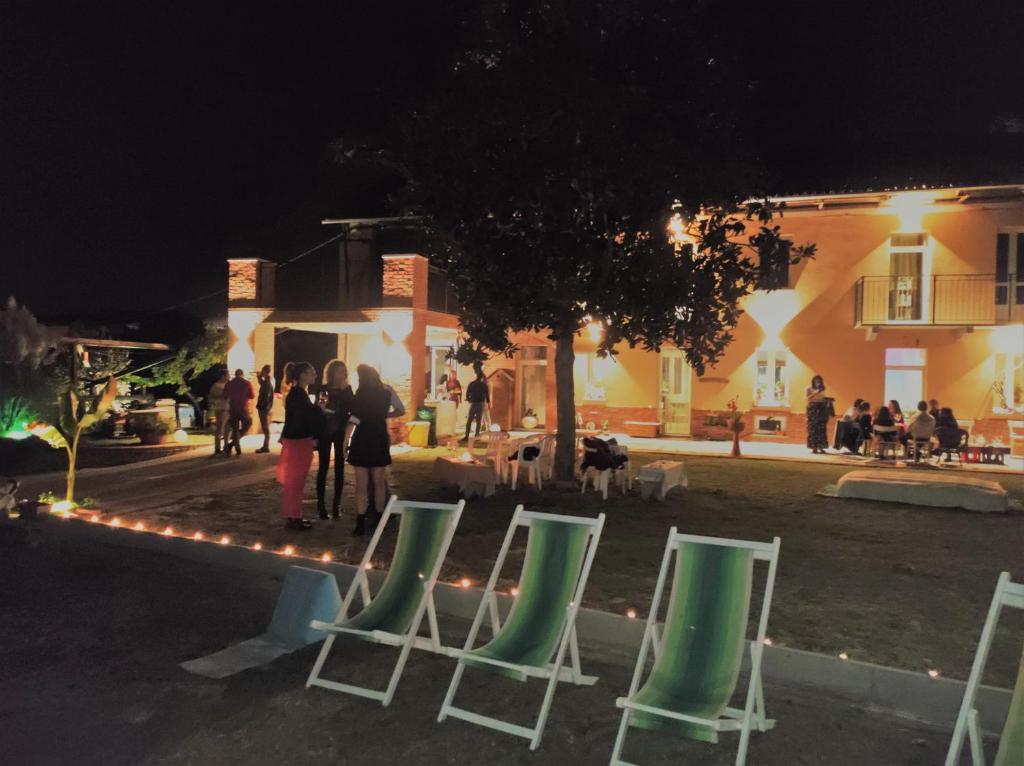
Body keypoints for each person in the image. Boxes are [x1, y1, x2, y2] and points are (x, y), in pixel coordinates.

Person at [346, 364, 404, 536]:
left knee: (361, 483)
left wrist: (345, 440)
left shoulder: (361, 394)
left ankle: (361, 521)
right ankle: (380, 518)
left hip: (362, 437)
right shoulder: (386, 392)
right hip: (379, 436)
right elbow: (400, 409)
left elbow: (355, 418)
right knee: (379, 481)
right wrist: (384, 415)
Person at [277, 362, 326, 530]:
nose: (315, 375)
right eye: (312, 372)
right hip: (299, 442)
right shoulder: (298, 394)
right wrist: (319, 410)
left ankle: (294, 515)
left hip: (296, 441)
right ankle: (293, 517)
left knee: (295, 481)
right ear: (303, 375)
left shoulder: (297, 393)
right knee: (296, 481)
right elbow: (302, 418)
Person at [316, 359, 354, 520]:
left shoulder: (347, 390)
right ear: (331, 373)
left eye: (343, 371)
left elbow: (352, 410)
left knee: (340, 468)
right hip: (325, 430)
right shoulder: (323, 389)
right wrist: (322, 409)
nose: (340, 374)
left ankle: (336, 505)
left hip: (340, 430)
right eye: (338, 371)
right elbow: (319, 408)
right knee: (323, 467)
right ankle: (321, 506)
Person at [223, 369, 254, 456]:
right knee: (248, 423)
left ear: (235, 374)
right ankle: (233, 445)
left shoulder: (229, 383)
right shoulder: (247, 383)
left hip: (233, 408)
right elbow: (252, 396)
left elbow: (225, 396)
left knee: (235, 428)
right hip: (243, 408)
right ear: (242, 374)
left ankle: (234, 446)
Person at [207, 368, 231, 456]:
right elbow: (212, 396)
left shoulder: (229, 384)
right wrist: (221, 395)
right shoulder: (216, 385)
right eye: (227, 375)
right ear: (223, 376)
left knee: (227, 429)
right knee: (219, 429)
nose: (229, 376)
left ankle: (226, 446)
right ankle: (217, 448)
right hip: (220, 409)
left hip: (229, 409)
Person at [805, 375, 830, 454]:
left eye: (819, 381)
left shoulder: (822, 389)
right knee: (813, 428)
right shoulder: (808, 388)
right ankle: (814, 447)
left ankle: (821, 447)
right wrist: (815, 393)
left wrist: (828, 401)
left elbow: (822, 398)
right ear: (813, 381)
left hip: (822, 408)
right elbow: (806, 398)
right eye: (816, 380)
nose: (817, 382)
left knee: (822, 428)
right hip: (812, 408)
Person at [463, 369, 490, 442]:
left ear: (476, 376)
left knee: (469, 420)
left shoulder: (472, 384)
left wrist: (469, 399)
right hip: (480, 403)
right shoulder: (484, 385)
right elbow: (487, 395)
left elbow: (467, 393)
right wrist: (488, 402)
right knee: (478, 420)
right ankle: (477, 435)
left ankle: (466, 436)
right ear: (481, 377)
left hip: (473, 403)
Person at [255, 365, 274, 453]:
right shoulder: (267, 381)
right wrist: (259, 377)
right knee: (265, 426)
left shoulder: (267, 382)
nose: (261, 372)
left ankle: (266, 446)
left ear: (265, 372)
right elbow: (262, 384)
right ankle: (265, 446)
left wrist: (264, 407)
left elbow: (266, 395)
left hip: (263, 407)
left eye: (262, 371)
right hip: (264, 407)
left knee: (265, 427)